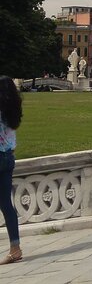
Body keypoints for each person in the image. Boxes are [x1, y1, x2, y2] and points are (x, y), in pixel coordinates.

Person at [0, 76, 22, 265]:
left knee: (5, 204)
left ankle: (15, 249)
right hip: (8, 158)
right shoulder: (12, 111)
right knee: (6, 204)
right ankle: (15, 248)